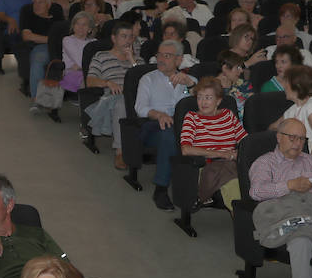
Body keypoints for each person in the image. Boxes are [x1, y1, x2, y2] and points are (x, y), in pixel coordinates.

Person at [249, 119, 312, 278]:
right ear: (279, 137)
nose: (297, 143)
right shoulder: (265, 163)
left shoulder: (309, 161)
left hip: (310, 210)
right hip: (282, 214)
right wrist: (289, 185)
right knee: (301, 240)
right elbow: (256, 192)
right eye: (292, 137)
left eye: (301, 138)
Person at [136, 39, 196, 210]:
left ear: (178, 60)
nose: (161, 59)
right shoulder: (148, 79)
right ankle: (161, 189)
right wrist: (159, 114)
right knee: (168, 132)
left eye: (167, 56)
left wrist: (190, 85)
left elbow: (205, 104)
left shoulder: (190, 80)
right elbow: (140, 108)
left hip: (185, 129)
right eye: (159, 55)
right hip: (154, 126)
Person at [178, 76, 247, 208]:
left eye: (208, 97)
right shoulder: (192, 118)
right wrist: (223, 154)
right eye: (199, 97)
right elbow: (186, 149)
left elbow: (245, 141)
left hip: (231, 164)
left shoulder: (228, 115)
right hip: (206, 167)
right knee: (234, 184)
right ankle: (244, 225)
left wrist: (239, 153)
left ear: (218, 100)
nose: (203, 102)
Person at [84, 20, 142, 169]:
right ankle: (120, 152)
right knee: (122, 103)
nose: (128, 40)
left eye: (130, 37)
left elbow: (146, 81)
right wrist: (107, 83)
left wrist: (132, 61)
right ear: (114, 38)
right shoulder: (101, 56)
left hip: (138, 98)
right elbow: (89, 81)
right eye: (124, 36)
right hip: (112, 99)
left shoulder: (138, 60)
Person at [279, 65, 312, 151]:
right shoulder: (291, 111)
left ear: (297, 86)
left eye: (286, 82)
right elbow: (275, 128)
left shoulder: (311, 106)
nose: (284, 86)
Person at [217, 51, 255, 116]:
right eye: (238, 67)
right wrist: (226, 89)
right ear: (225, 68)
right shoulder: (211, 89)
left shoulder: (244, 84)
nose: (241, 71)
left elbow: (254, 106)